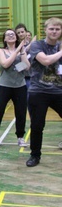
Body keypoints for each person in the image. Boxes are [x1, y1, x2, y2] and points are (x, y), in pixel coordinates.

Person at [26, 17, 62, 167]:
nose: (54, 31)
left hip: (58, 91)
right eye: (51, 29)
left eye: (57, 29)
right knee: (37, 125)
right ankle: (35, 155)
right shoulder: (37, 45)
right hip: (38, 92)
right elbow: (46, 61)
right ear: (45, 30)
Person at [0, 29, 30, 147]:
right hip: (4, 86)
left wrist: (22, 51)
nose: (10, 36)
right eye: (8, 35)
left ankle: (20, 137)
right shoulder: (1, 51)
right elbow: (5, 64)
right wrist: (18, 50)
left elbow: (27, 67)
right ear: (4, 39)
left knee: (20, 112)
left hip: (20, 86)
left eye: (13, 34)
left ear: (16, 37)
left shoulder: (21, 51)